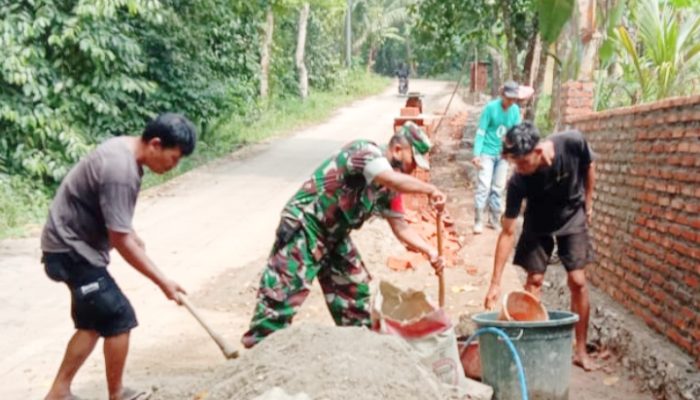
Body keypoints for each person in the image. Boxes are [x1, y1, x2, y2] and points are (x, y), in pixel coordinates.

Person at [241, 121, 446, 348]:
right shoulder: (365, 152)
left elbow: (401, 227)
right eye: (412, 161)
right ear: (398, 149)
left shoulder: (390, 188)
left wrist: (430, 251)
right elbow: (389, 178)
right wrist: (430, 189)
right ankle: (258, 358)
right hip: (306, 225)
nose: (412, 169)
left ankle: (356, 354)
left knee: (355, 296)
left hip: (334, 236)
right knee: (279, 300)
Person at [41, 113, 197, 400]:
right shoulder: (121, 170)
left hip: (67, 246)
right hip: (70, 250)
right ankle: (118, 395)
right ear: (155, 144)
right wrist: (163, 282)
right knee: (117, 316)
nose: (173, 166)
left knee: (93, 321)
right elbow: (120, 240)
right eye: (173, 158)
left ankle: (59, 392)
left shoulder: (124, 151)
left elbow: (115, 218)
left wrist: (131, 233)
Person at [483, 121, 598, 371]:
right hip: (538, 221)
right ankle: (531, 347)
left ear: (538, 151)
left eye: (523, 163)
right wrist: (495, 282)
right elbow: (507, 231)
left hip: (572, 215)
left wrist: (588, 203)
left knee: (578, 281)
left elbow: (589, 166)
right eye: (516, 164)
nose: (520, 169)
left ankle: (580, 350)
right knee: (534, 280)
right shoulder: (518, 182)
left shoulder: (572, 141)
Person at [471, 81, 522, 234]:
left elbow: (516, 134)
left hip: (503, 155)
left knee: (498, 188)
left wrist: (514, 154)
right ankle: (478, 220)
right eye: (509, 97)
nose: (511, 101)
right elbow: (481, 132)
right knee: (484, 186)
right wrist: (476, 154)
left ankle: (494, 219)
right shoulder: (490, 108)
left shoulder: (515, 111)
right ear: (502, 95)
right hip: (487, 151)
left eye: (514, 98)